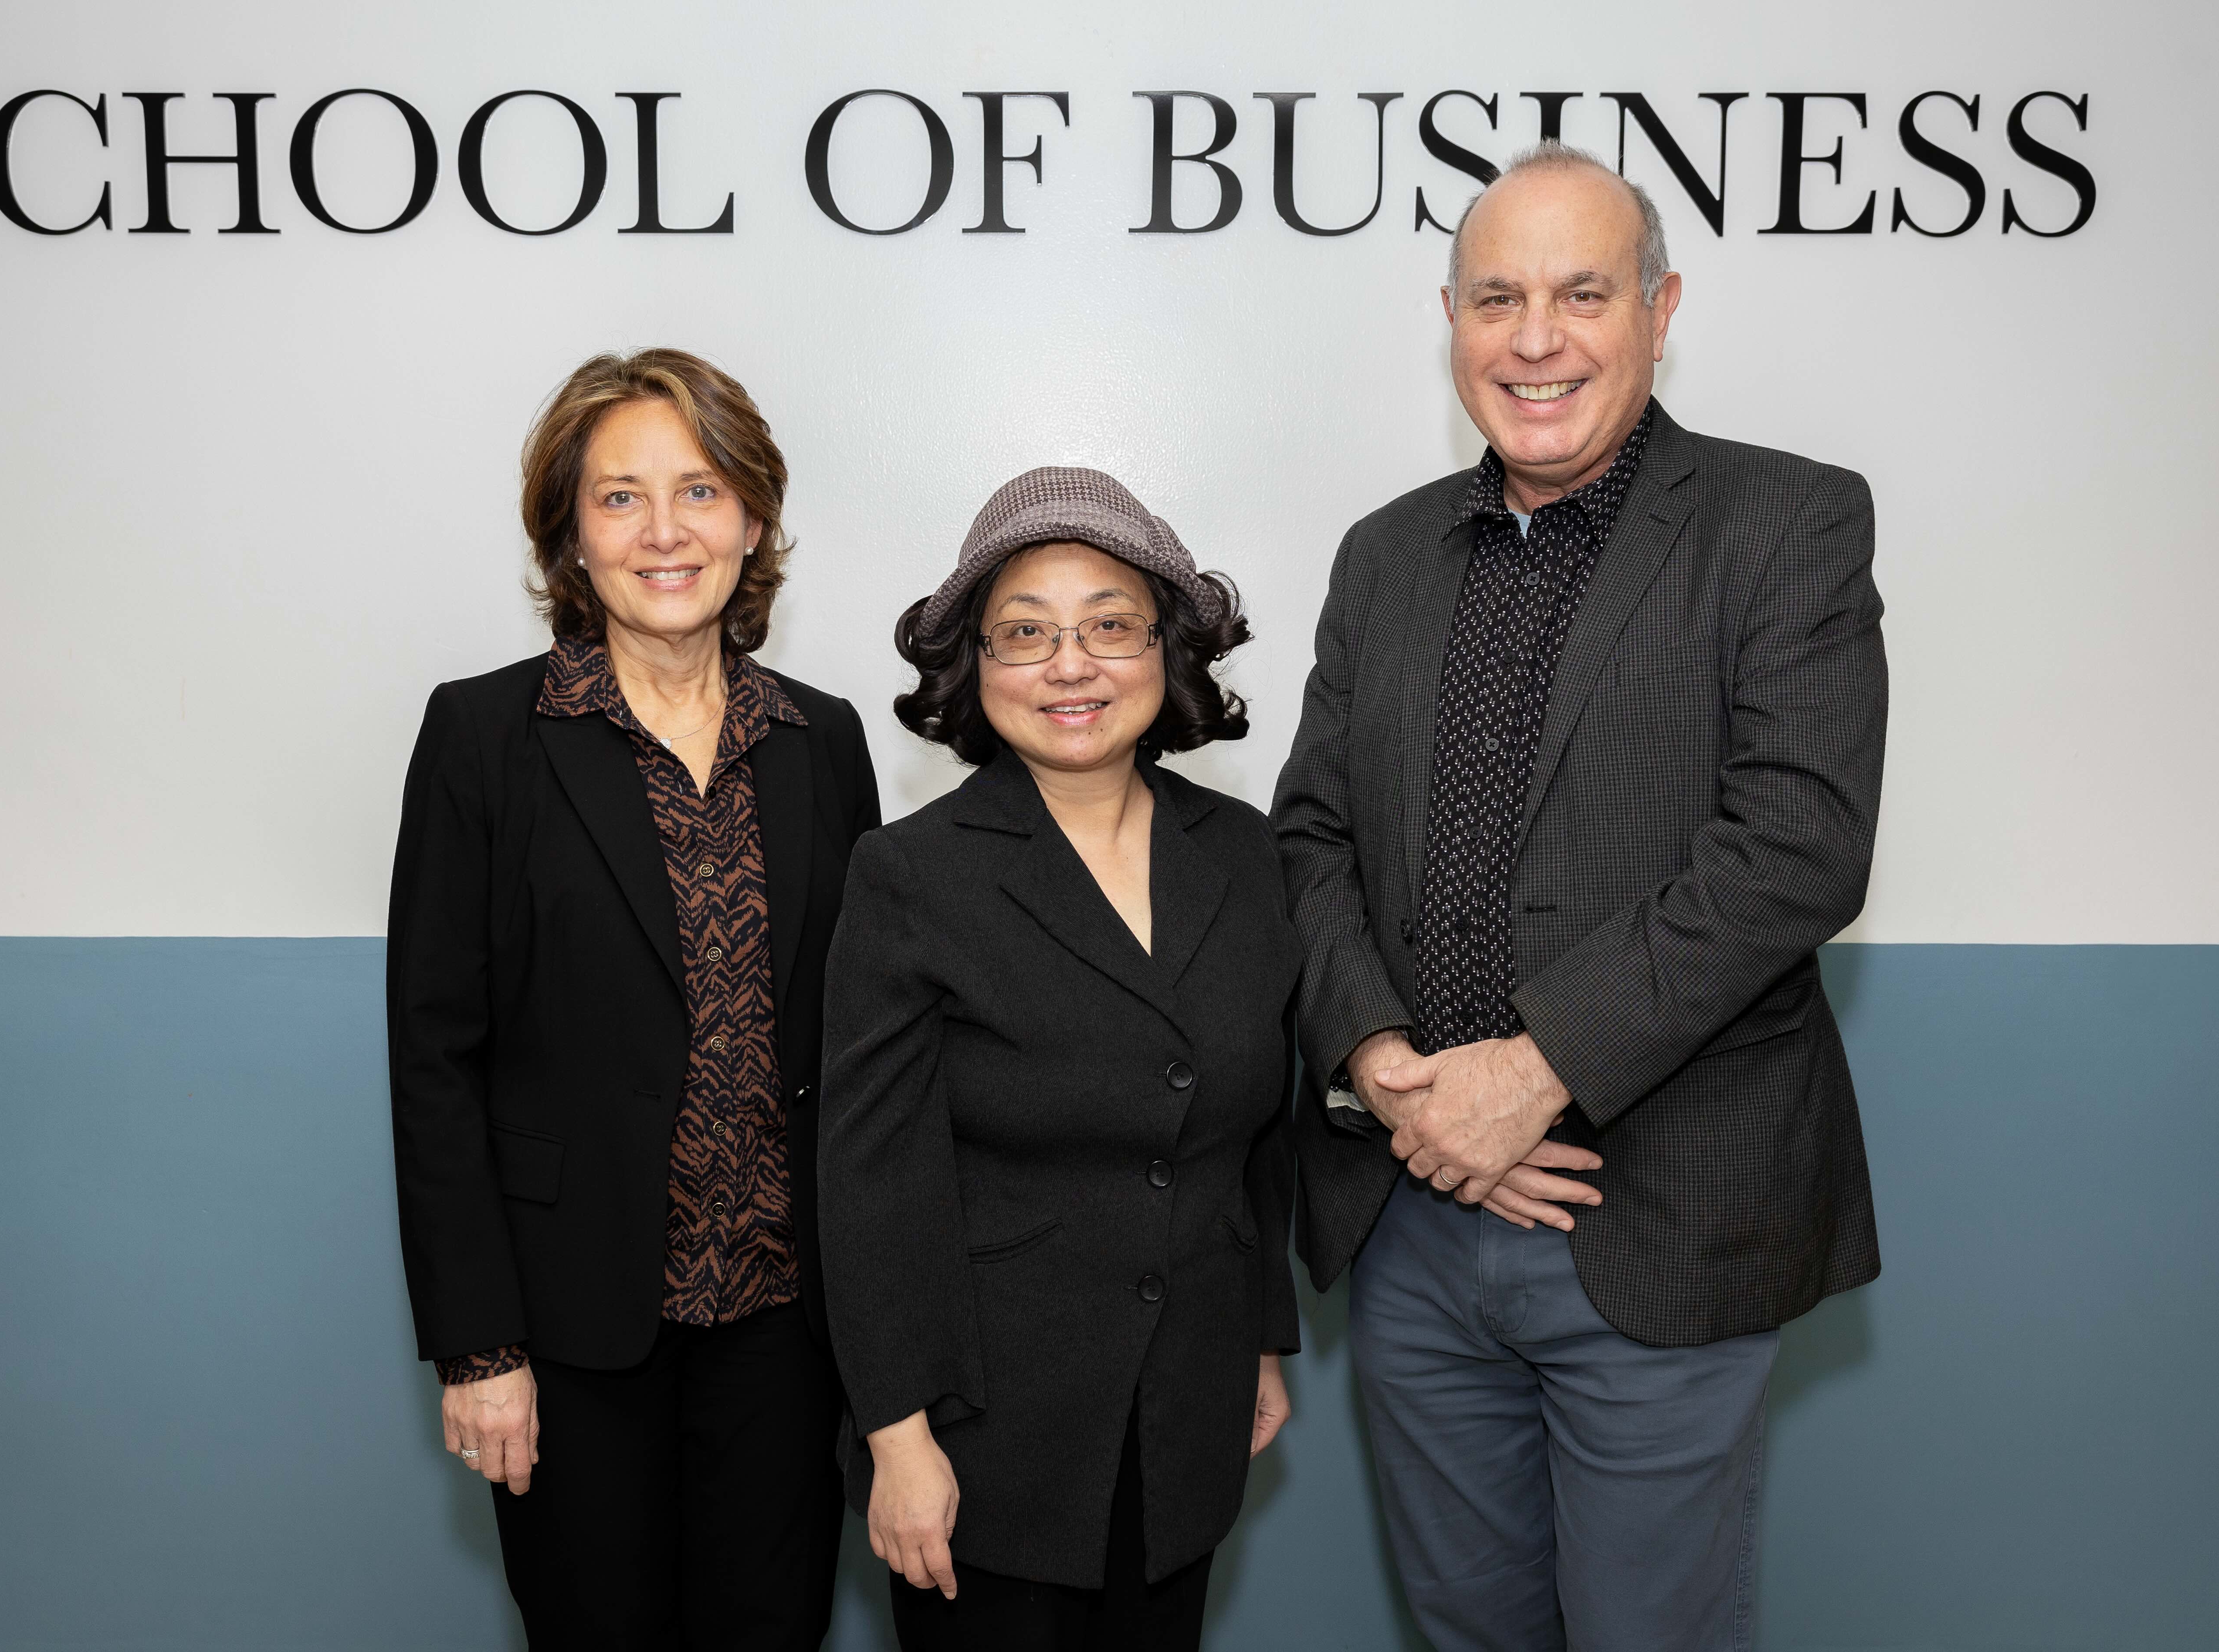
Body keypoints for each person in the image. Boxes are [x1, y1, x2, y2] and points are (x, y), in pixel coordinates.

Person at [1273, 141, 1887, 1651]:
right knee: (1469, 1629)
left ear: (1661, 309)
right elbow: (1305, 838)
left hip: (1655, 1220)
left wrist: (1535, 1073)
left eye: (1581, 292)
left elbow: (1798, 842)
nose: (1535, 336)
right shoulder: (1385, 553)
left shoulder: (1786, 523)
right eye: (1497, 297)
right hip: (1412, 1213)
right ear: (1452, 319)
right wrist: (1387, 1074)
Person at [385, 348, 881, 1650]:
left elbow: (861, 1045)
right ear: (569, 532)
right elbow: (435, 1059)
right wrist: (478, 1347)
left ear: (755, 519)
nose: (666, 532)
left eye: (702, 491)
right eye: (619, 498)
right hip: (569, 1325)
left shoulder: (823, 740)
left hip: (785, 1327)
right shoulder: (485, 737)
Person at [820, 467, 1301, 1652]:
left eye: (1109, 626)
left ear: (1169, 652)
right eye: (1025, 633)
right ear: (974, 670)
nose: (1070, 665)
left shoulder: (1243, 854)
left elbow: (1257, 1128)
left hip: (1186, 1410)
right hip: (983, 1437)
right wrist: (896, 1435)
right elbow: (868, 1180)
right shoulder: (910, 875)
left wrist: (1258, 1335)